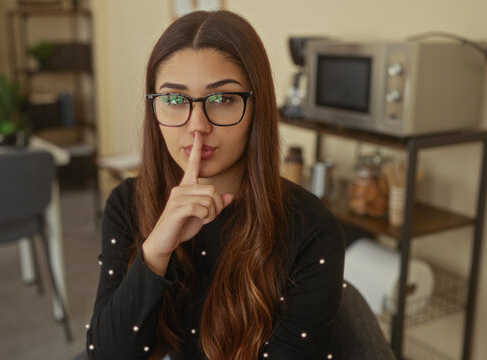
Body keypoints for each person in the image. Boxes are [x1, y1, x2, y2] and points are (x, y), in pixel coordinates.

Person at [86, 10, 345, 360]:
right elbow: (104, 354)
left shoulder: (311, 230)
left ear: (257, 107)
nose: (197, 126)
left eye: (222, 100)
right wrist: (157, 249)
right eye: (175, 100)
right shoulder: (127, 201)